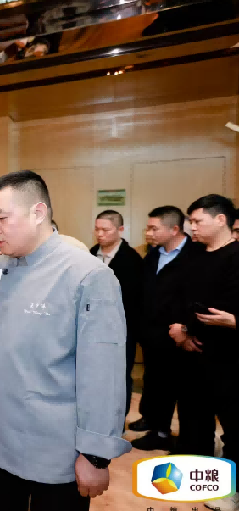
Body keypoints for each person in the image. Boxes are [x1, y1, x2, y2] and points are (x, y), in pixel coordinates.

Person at [0, 170, 130, 511]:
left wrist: (95, 456)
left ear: (37, 213)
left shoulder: (88, 275)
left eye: (1, 218)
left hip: (55, 449)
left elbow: (104, 375)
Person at [168, 194, 239, 511]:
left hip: (230, 359)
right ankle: (202, 480)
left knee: (235, 429)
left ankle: (232, 491)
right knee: (195, 423)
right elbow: (180, 298)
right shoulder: (193, 255)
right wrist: (181, 330)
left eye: (197, 221)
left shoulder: (236, 255)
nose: (191, 227)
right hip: (192, 355)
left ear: (220, 219)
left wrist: (234, 322)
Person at [130, 206, 195, 451]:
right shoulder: (154, 255)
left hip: (180, 335)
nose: (149, 233)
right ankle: (157, 428)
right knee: (156, 382)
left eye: (154, 228)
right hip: (152, 334)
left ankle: (169, 434)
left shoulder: (194, 255)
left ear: (174, 229)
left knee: (177, 388)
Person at [90, 210, 144, 417]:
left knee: (119, 377)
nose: (100, 234)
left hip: (121, 330)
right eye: (97, 229)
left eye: (106, 229)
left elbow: (134, 300)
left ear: (120, 230)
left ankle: (116, 421)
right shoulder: (91, 253)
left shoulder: (131, 260)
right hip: (92, 328)